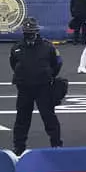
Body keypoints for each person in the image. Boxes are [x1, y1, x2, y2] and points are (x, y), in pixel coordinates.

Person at [9, 18, 63, 156]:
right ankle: (19, 147)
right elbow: (13, 64)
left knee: (49, 117)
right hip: (24, 88)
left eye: (31, 33)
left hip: (43, 87)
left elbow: (57, 63)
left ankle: (56, 145)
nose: (29, 36)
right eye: (27, 33)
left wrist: (49, 75)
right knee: (22, 119)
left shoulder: (48, 46)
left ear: (37, 32)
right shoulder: (16, 48)